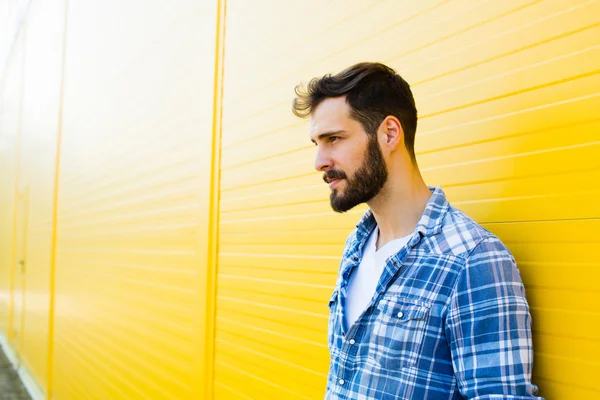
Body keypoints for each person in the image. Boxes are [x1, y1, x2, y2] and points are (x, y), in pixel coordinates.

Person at [292, 62, 542, 399]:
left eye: (334, 139)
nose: (319, 161)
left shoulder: (471, 259)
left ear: (390, 134)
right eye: (316, 143)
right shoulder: (357, 245)